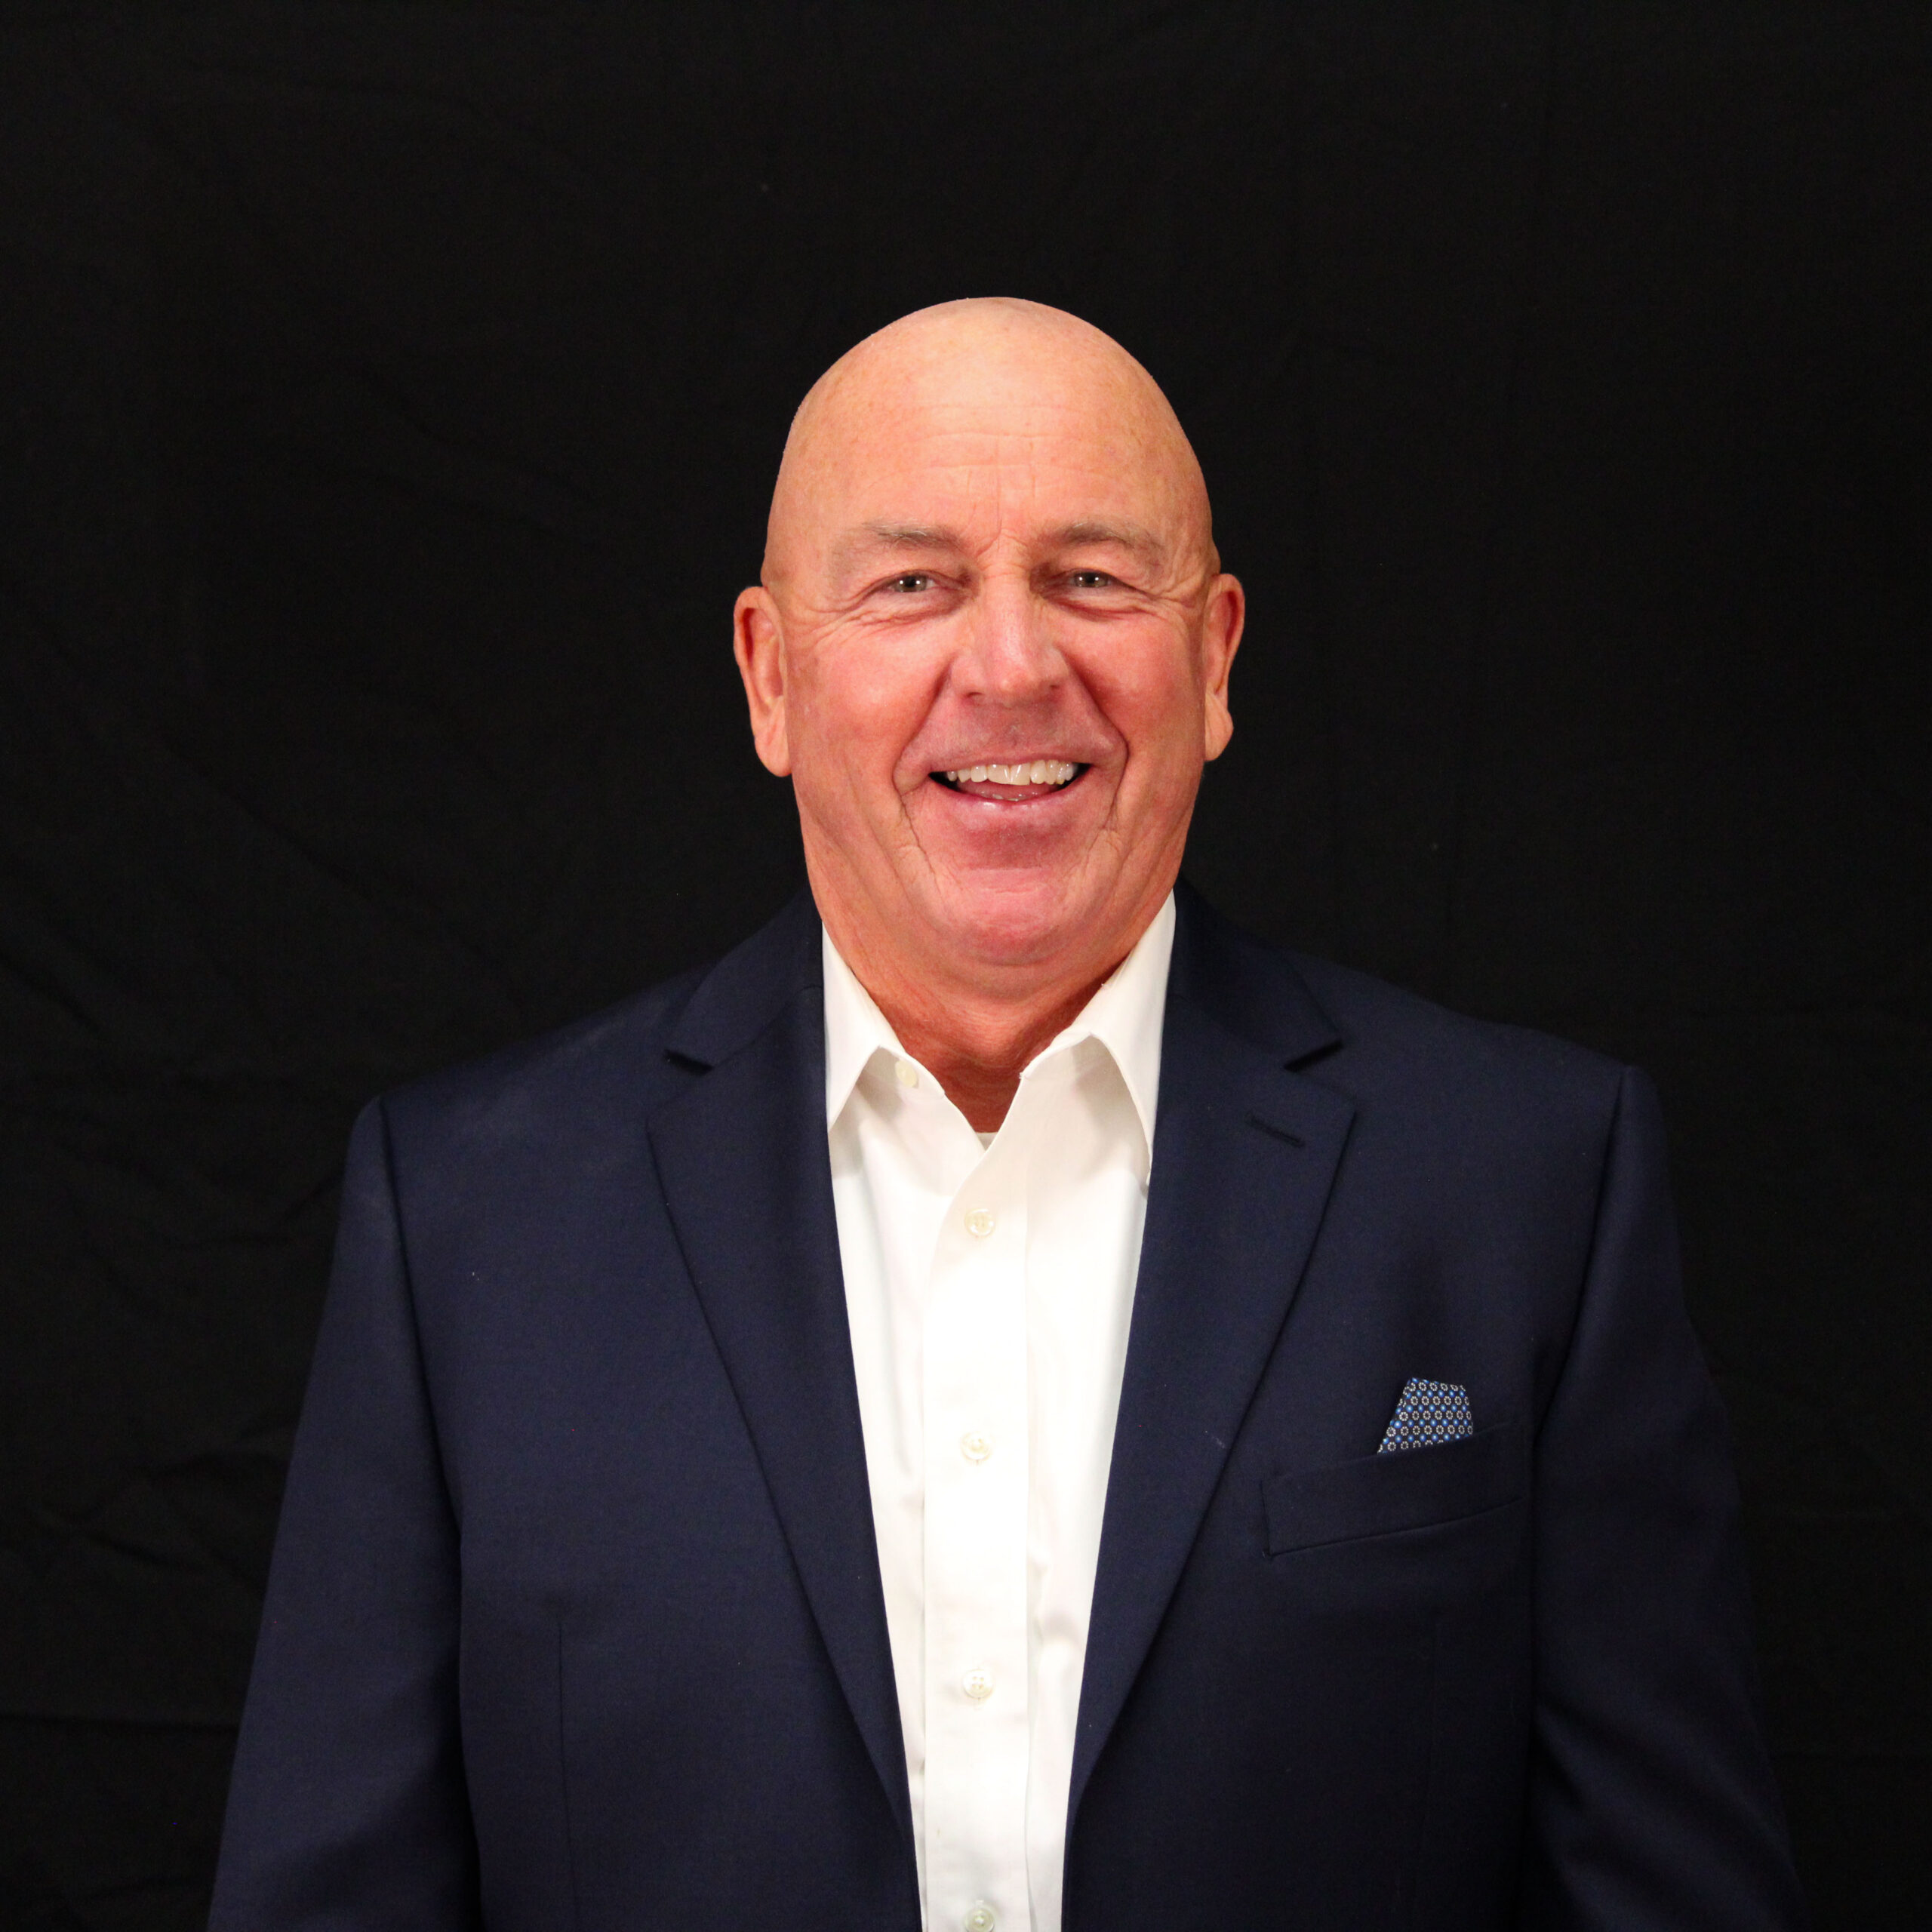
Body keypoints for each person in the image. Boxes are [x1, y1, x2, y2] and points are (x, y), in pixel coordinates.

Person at [209, 300, 1806, 1930]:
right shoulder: (476, 1219)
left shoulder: (1523, 1184)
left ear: (1213, 658)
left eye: (1090, 576)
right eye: (910, 583)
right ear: (769, 677)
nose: (1010, 664)